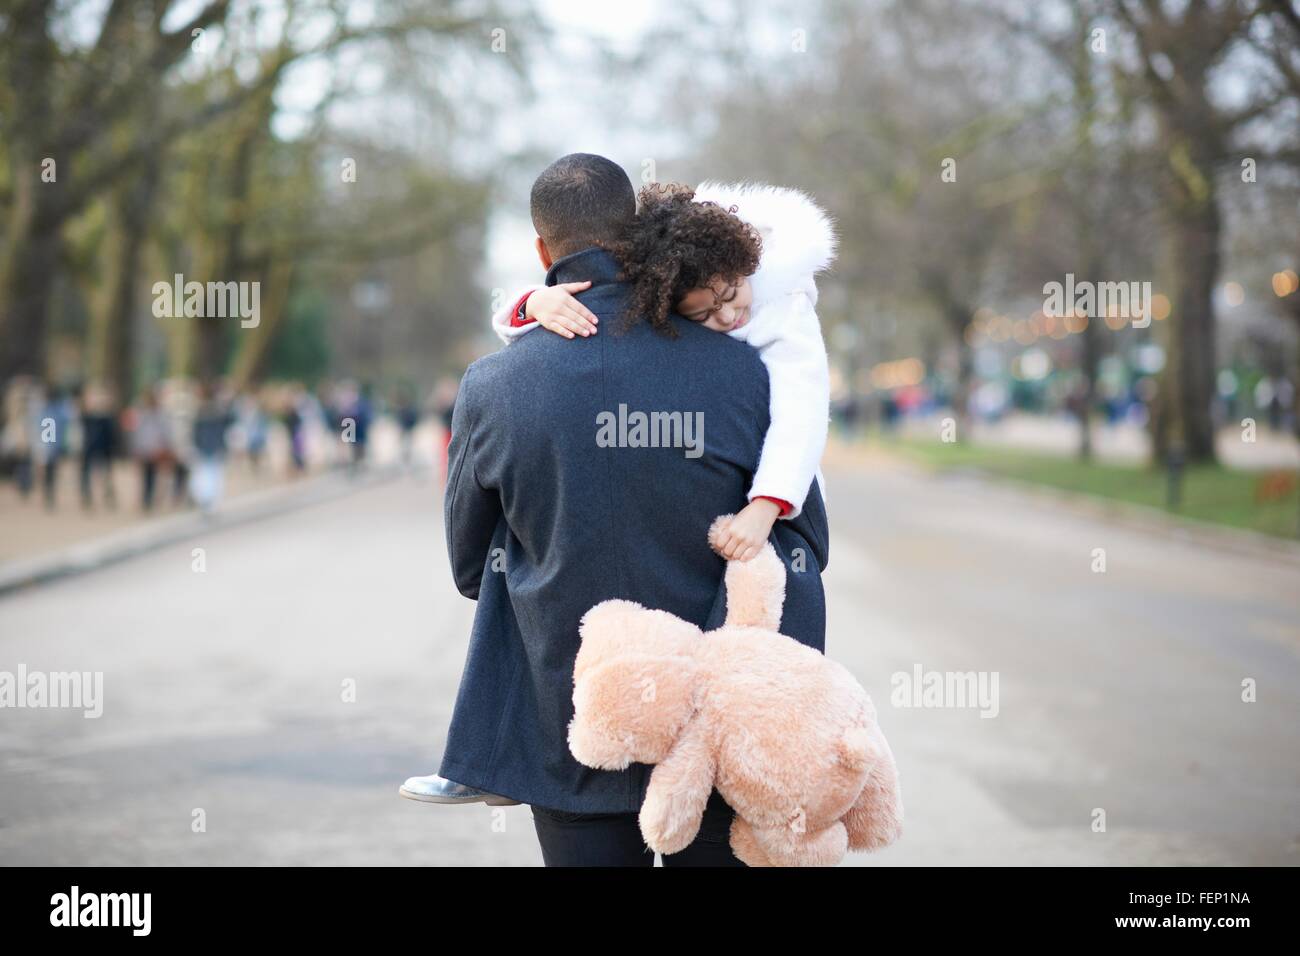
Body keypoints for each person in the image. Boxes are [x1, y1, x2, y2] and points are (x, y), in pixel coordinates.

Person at [400, 154, 830, 866]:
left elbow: (471, 565)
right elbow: (804, 535)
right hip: (719, 718)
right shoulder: (745, 369)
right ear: (637, 234)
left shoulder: (492, 385)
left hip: (570, 719)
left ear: (543, 251)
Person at [490, 180, 834, 558]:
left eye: (732, 294)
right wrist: (535, 302)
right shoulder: (670, 281)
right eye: (703, 314)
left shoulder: (786, 310)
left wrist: (768, 505)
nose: (727, 315)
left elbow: (803, 411)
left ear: (745, 266)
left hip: (782, 486)